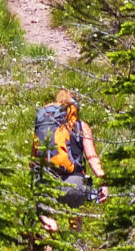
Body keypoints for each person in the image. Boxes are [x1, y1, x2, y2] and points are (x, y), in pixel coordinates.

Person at [33, 88, 108, 217]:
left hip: (46, 181)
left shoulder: (44, 124)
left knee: (48, 222)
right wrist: (104, 182)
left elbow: (33, 159)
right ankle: (76, 235)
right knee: (74, 217)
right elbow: (92, 158)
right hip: (73, 183)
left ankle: (50, 233)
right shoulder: (81, 126)